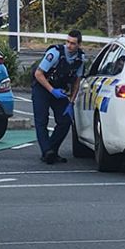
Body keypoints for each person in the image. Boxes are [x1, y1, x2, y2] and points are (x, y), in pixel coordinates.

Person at [31, 29, 84, 164]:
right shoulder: (55, 53)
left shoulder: (80, 59)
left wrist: (71, 102)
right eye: (67, 42)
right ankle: (47, 151)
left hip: (59, 90)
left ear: (79, 44)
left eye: (73, 43)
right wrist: (51, 90)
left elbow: (77, 81)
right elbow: (38, 74)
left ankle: (52, 150)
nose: (69, 45)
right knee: (41, 121)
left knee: (65, 121)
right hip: (43, 87)